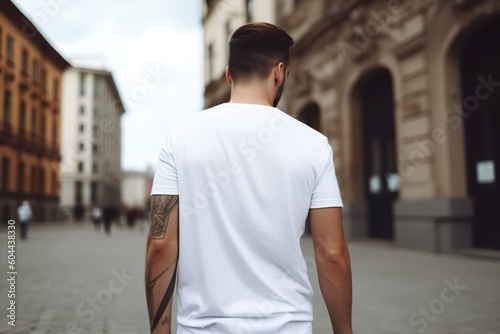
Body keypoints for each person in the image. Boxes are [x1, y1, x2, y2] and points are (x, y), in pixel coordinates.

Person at [145, 22, 352, 334]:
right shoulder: (314, 144)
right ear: (279, 72)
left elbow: (160, 245)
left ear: (229, 73)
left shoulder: (179, 137)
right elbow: (331, 253)